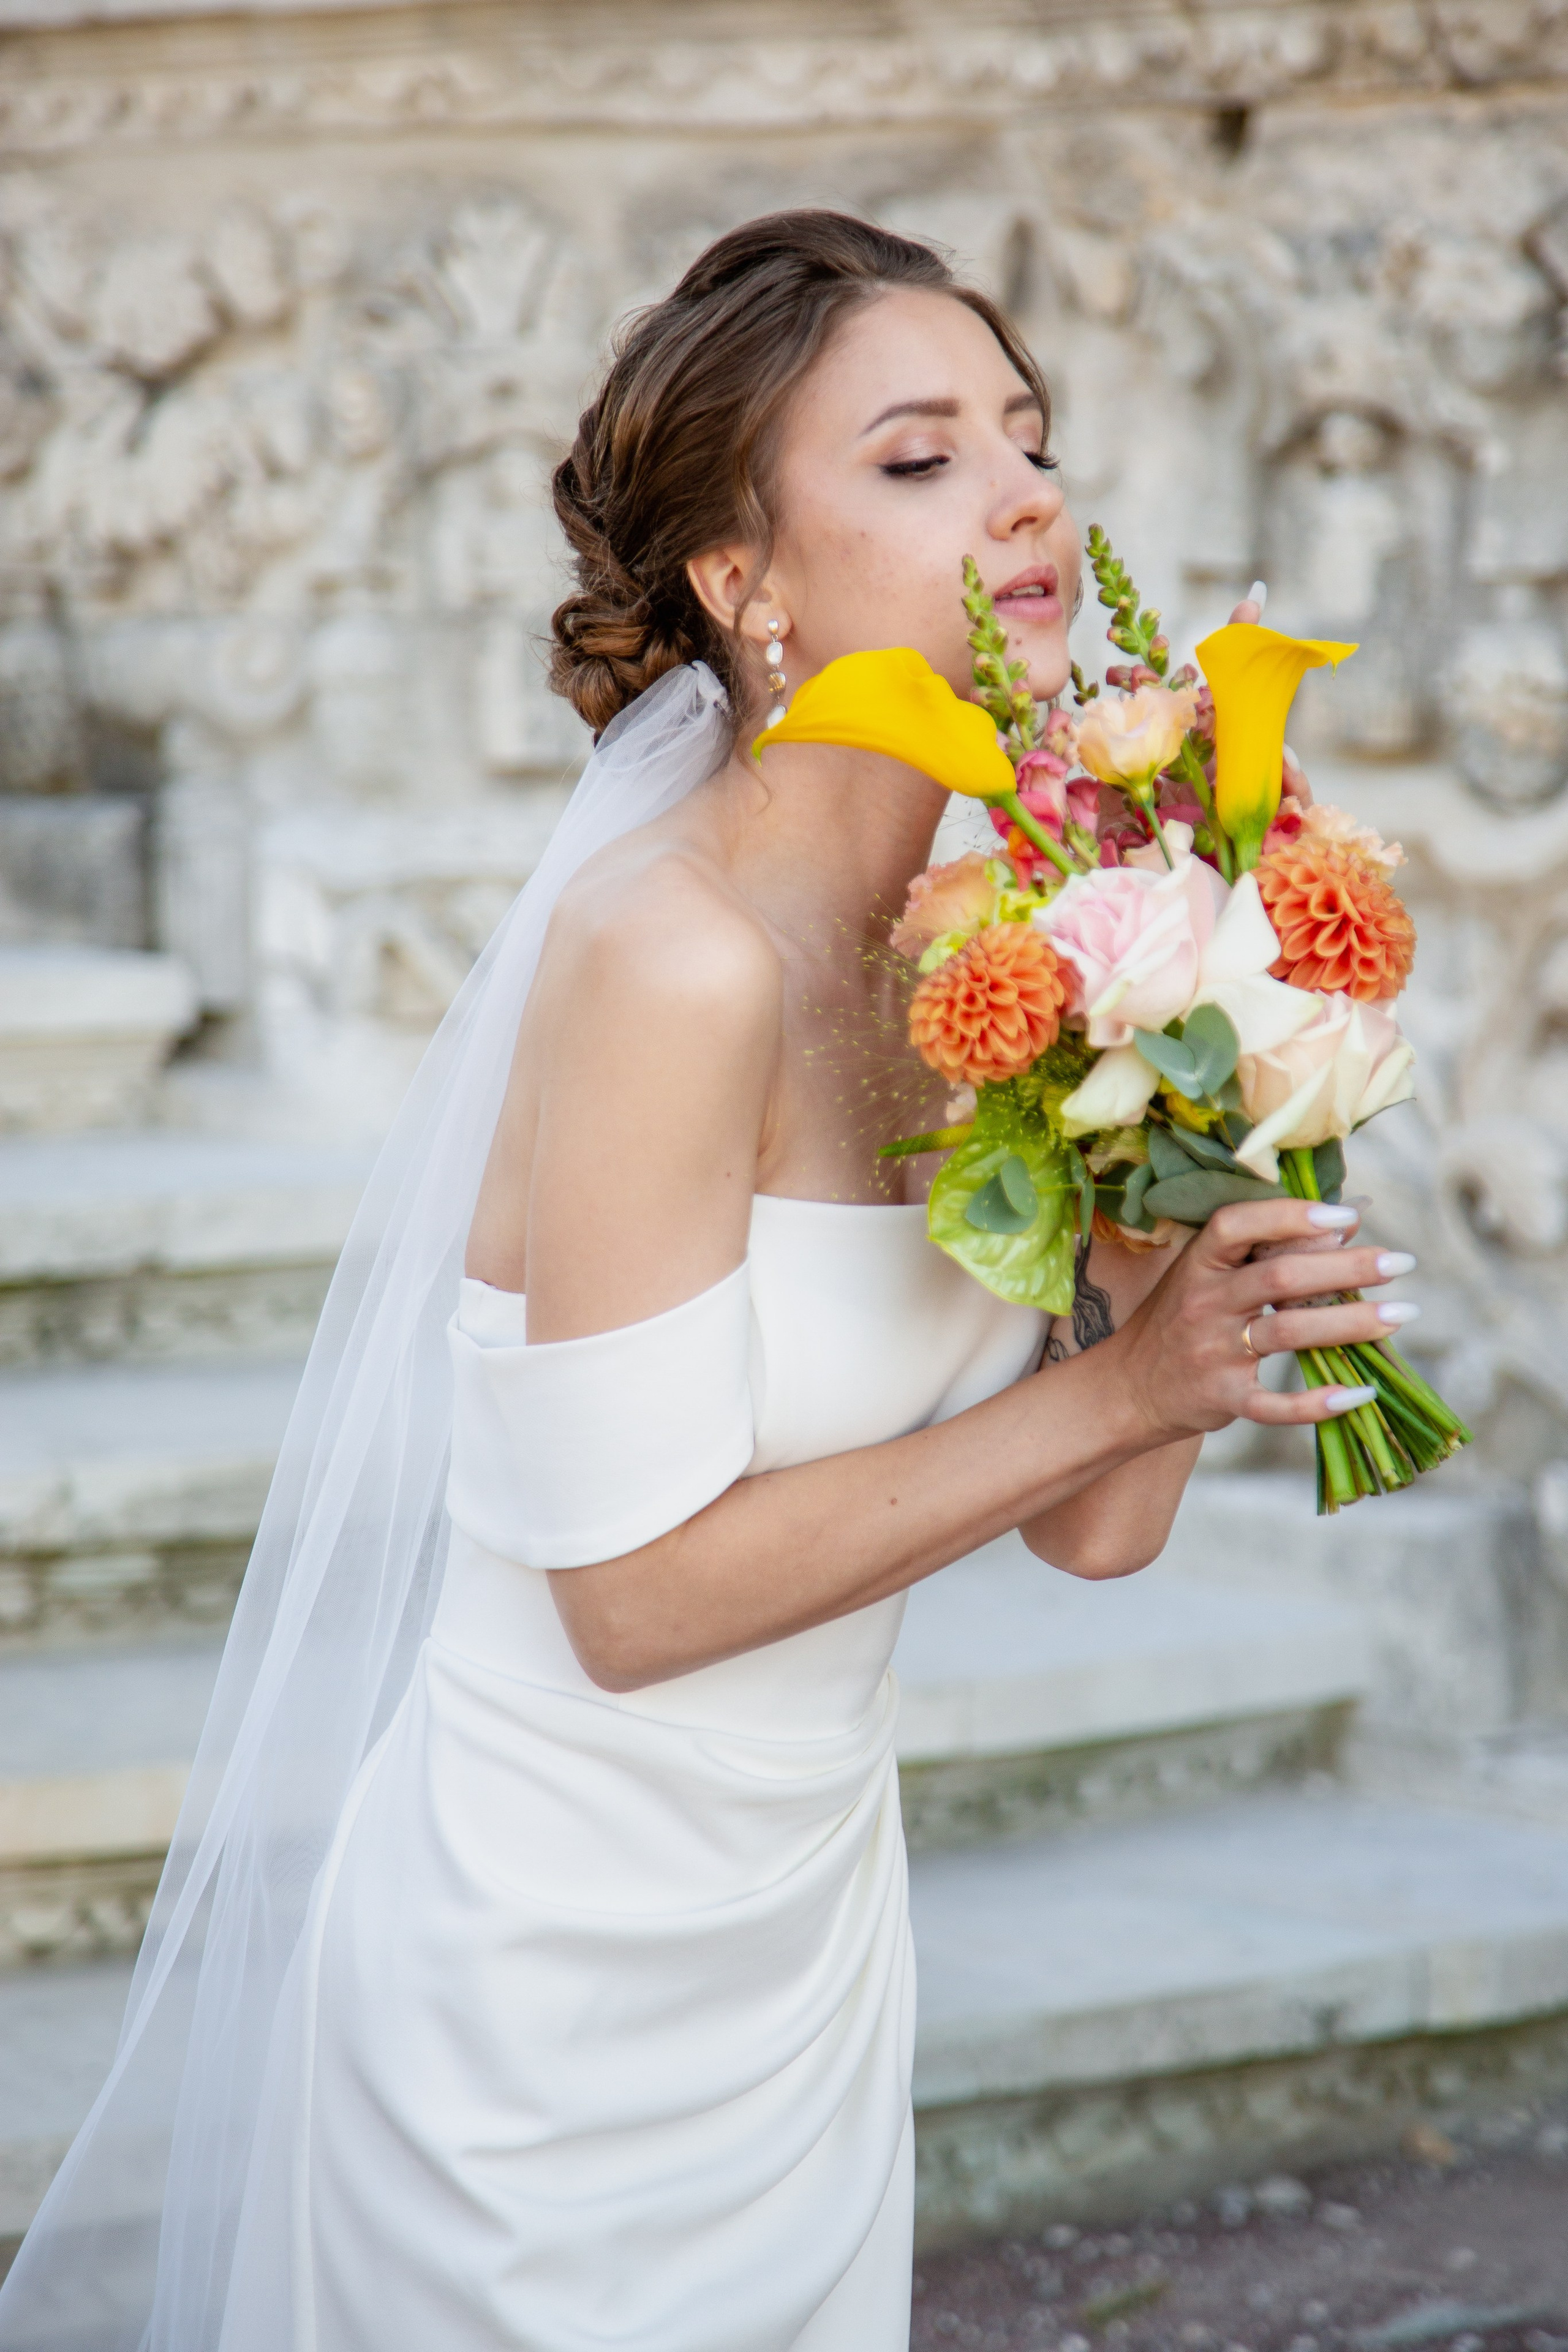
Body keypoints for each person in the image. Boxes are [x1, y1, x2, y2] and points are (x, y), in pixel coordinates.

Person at [0, 211, 1409, 2352]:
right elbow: (631, 1600)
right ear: (744, 586)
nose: (1030, 497)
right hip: (536, 1997)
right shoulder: (667, 957)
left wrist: (1217, 1127)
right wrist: (1129, 1387)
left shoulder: (1004, 958)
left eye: (1029, 439)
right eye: (922, 458)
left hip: (804, 1951)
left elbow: (1103, 1531)